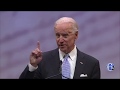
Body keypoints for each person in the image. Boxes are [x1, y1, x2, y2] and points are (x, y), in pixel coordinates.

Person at [19, 17, 101, 79]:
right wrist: (33, 66)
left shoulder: (91, 64)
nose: (60, 40)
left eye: (65, 36)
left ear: (76, 35)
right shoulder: (43, 61)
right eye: (57, 35)